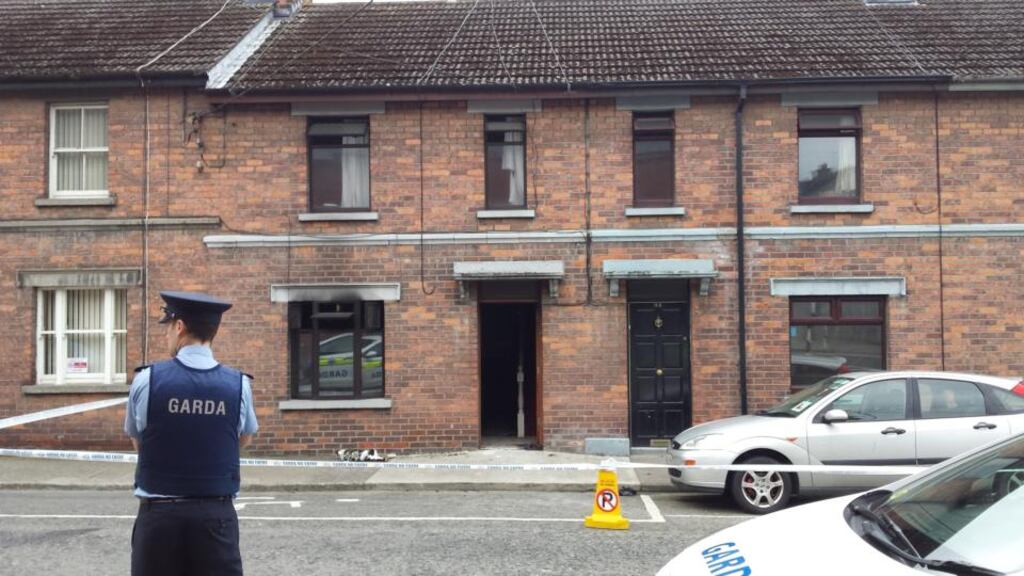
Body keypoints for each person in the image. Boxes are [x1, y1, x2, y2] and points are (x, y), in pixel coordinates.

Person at [124, 291, 258, 576]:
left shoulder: (147, 380)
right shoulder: (238, 385)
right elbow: (243, 439)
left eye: (168, 327)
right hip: (215, 519)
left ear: (180, 326)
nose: (166, 336)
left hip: (159, 519)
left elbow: (139, 440)